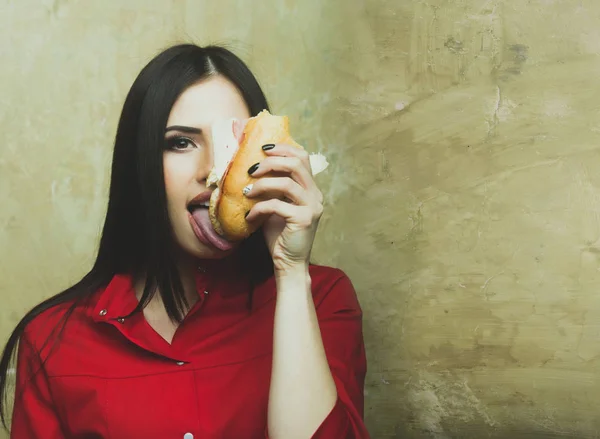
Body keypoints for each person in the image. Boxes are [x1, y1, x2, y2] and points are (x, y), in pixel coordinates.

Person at [0, 43, 369, 439]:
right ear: (140, 163)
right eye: (180, 142)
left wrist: (291, 272)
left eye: (235, 144)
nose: (212, 169)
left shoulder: (323, 300)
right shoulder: (53, 339)